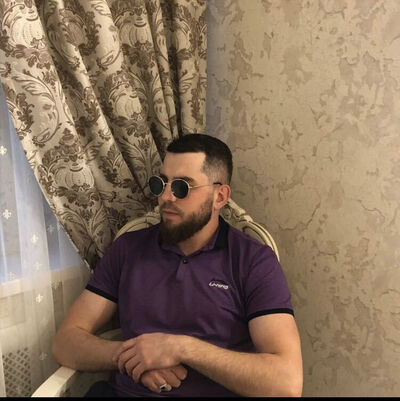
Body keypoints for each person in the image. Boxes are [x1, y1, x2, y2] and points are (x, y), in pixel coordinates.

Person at [52, 134, 303, 397]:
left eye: (183, 187)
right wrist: (135, 358)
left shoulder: (253, 261)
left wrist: (182, 348)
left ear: (219, 196)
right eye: (160, 183)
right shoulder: (128, 249)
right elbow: (65, 342)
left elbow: (286, 383)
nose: (166, 197)